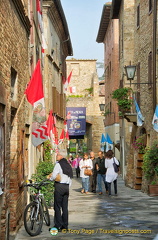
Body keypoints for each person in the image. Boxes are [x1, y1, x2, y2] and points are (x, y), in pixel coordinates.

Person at [48, 149, 73, 231]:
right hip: (66, 187)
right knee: (65, 207)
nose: (56, 156)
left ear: (61, 156)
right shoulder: (68, 165)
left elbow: (54, 175)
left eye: (58, 155)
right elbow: (70, 178)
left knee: (57, 206)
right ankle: (65, 225)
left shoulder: (58, 165)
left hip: (59, 186)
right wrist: (67, 186)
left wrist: (50, 179)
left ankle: (58, 225)